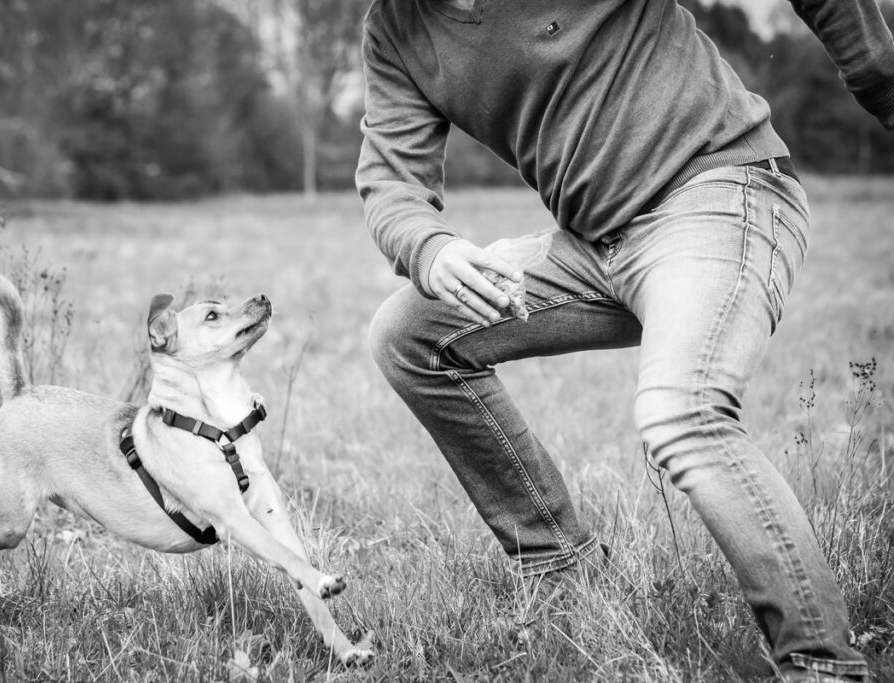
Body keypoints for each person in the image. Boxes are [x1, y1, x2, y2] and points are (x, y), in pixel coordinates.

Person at [356, 0, 894, 680]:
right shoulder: (397, 28)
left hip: (721, 192)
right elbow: (389, 182)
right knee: (408, 334)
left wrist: (882, 77)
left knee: (680, 411)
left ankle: (824, 663)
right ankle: (562, 567)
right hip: (596, 250)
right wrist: (429, 250)